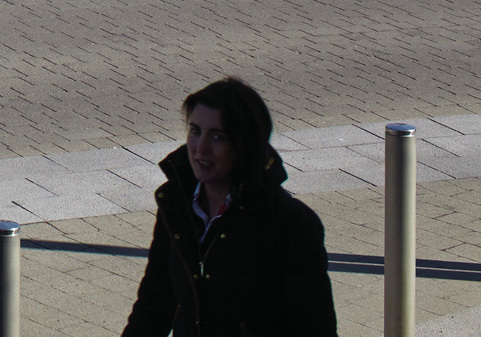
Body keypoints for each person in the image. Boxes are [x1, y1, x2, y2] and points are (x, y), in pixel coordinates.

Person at [121, 75, 336, 336]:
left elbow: (315, 327)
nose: (200, 148)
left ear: (244, 144)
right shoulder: (176, 204)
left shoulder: (291, 222)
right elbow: (154, 305)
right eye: (195, 131)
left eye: (217, 137)